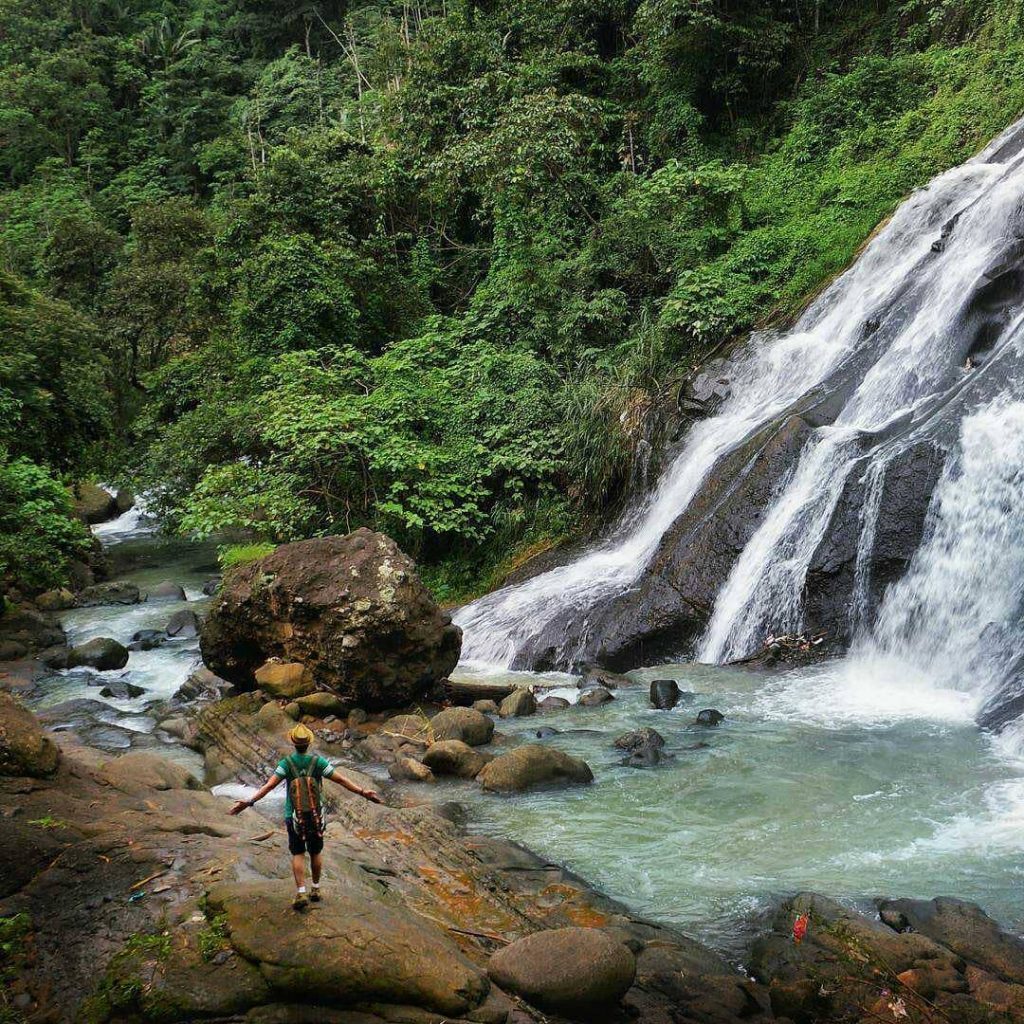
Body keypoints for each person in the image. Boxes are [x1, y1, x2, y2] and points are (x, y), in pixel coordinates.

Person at [229, 723, 382, 909]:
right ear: (309, 743)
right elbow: (340, 780)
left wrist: (248, 802)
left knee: (298, 852)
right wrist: (363, 791)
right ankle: (316, 889)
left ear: (293, 742)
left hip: (293, 815)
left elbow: (269, 786)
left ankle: (301, 892)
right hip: (316, 815)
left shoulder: (286, 764)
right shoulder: (318, 763)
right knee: (316, 851)